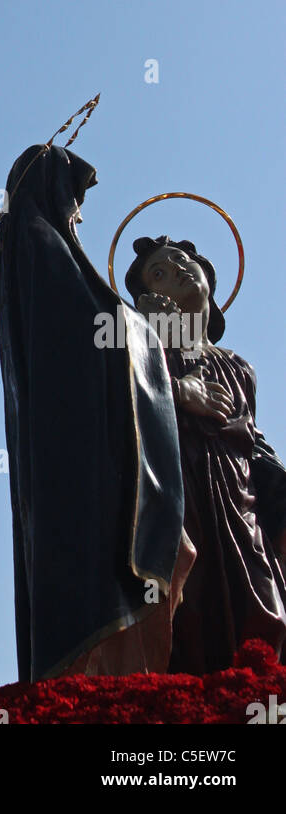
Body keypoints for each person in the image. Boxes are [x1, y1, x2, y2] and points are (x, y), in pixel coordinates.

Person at [0, 145, 188, 681]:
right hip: (88, 465)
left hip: (95, 446)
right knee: (112, 593)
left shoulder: (37, 245)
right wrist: (142, 324)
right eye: (75, 198)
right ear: (53, 189)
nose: (78, 214)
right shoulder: (37, 242)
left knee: (175, 558)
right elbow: (88, 334)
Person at [126, 236, 286, 672]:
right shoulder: (139, 350)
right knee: (190, 620)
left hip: (240, 506)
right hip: (181, 496)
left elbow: (253, 444)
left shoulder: (238, 368)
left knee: (264, 612)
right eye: (158, 272)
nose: (177, 268)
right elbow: (116, 405)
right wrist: (176, 389)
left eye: (181, 259)